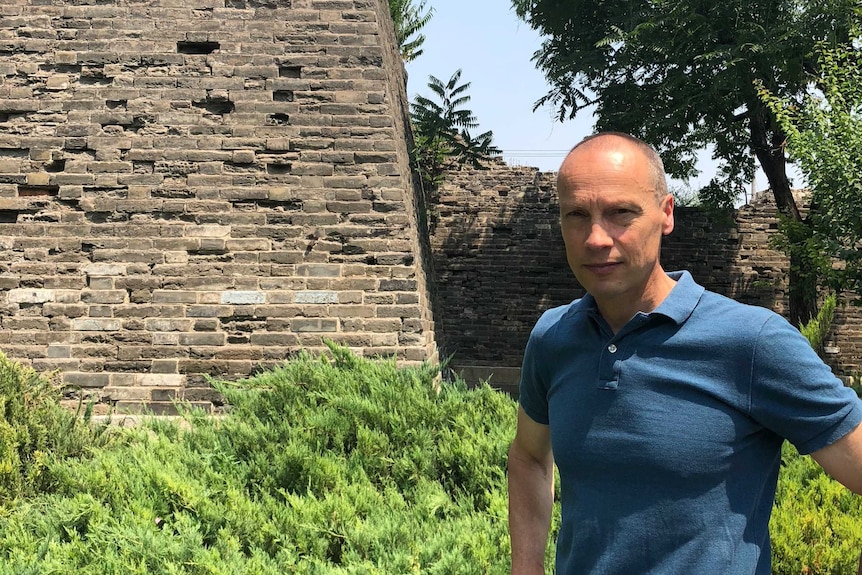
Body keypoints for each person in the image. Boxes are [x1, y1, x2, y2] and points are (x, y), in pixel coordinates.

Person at [507, 132, 862, 575]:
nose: (596, 238)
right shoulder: (553, 338)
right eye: (576, 215)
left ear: (666, 214)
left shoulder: (752, 342)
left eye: (621, 213)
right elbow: (527, 457)